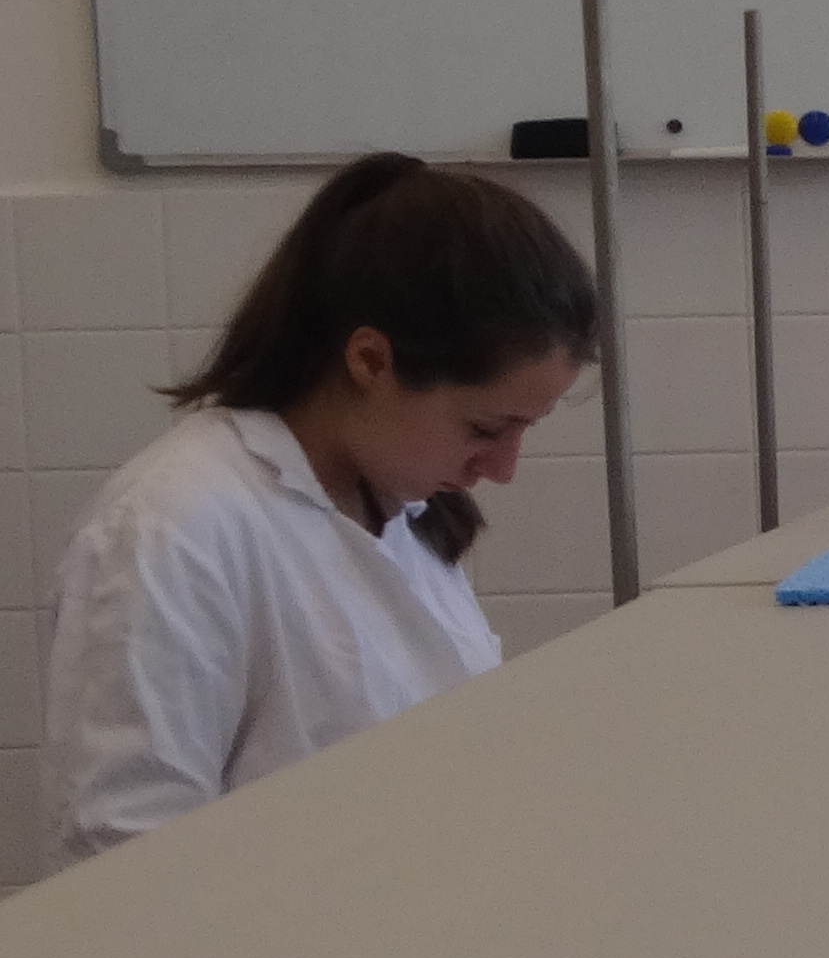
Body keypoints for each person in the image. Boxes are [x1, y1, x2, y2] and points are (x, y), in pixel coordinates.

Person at [43, 153, 594, 862]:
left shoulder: (398, 507)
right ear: (370, 361)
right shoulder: (173, 529)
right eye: (485, 429)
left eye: (524, 430)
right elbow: (124, 849)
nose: (503, 469)